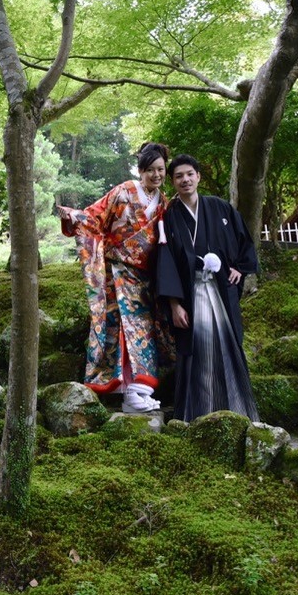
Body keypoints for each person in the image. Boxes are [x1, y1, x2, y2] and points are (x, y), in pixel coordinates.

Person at [57, 142, 172, 413]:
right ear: (141, 170)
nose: (156, 175)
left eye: (161, 170)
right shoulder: (123, 191)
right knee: (122, 330)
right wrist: (75, 216)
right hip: (117, 273)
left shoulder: (163, 202)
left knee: (145, 331)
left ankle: (140, 390)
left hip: (145, 278)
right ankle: (127, 391)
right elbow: (95, 218)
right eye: (150, 170)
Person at [156, 154, 259, 422]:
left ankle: (238, 411)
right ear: (173, 182)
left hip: (220, 290)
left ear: (198, 176)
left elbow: (243, 241)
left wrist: (239, 267)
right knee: (196, 352)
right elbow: (165, 259)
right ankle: (195, 415)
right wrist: (174, 304)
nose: (185, 180)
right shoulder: (169, 217)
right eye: (178, 176)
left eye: (190, 174)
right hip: (190, 294)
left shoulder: (220, 208)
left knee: (228, 345)